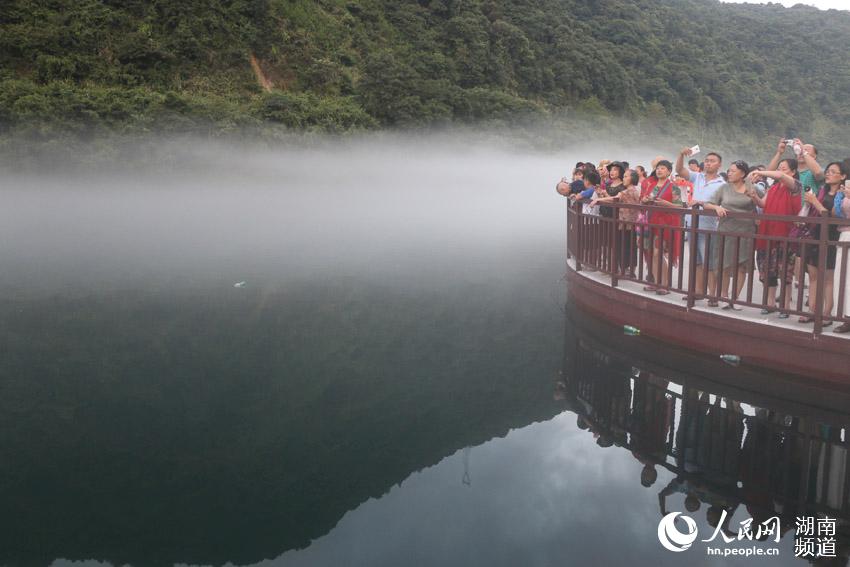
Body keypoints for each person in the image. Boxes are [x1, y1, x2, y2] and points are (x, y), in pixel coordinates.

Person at [702, 160, 762, 307]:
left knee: (741, 266)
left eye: (733, 171)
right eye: (728, 171)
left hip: (746, 231)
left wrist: (754, 197)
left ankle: (734, 299)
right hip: (725, 230)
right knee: (724, 264)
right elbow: (706, 204)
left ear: (742, 174)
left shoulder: (752, 187)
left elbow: (763, 204)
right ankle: (724, 295)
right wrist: (716, 207)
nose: (729, 173)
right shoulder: (724, 188)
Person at [749, 159, 803, 317]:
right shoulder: (773, 187)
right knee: (768, 271)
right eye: (780, 168)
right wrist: (754, 197)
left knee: (785, 272)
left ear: (792, 172)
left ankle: (785, 306)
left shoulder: (795, 186)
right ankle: (770, 303)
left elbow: (779, 175)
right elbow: (763, 204)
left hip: (785, 235)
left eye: (784, 168)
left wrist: (759, 172)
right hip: (768, 232)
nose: (780, 171)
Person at [676, 148, 726, 304]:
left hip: (709, 227)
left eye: (712, 161)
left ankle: (713, 295)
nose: (708, 163)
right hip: (692, 224)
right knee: (696, 261)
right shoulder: (698, 177)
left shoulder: (722, 184)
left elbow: (721, 205)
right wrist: (681, 155)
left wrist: (701, 203)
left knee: (709, 263)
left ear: (720, 165)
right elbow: (679, 170)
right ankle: (698, 292)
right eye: (707, 160)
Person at [799, 162, 846, 324]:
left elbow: (832, 217)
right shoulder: (821, 190)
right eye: (828, 171)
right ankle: (812, 310)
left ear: (843, 176)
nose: (828, 174)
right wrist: (809, 202)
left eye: (833, 172)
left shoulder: (842, 196)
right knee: (813, 276)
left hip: (832, 237)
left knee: (827, 278)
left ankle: (827, 313)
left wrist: (814, 202)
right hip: (815, 235)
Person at [642, 160, 684, 295]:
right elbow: (647, 202)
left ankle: (665, 284)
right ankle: (655, 282)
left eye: (663, 168)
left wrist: (666, 204)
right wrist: (645, 201)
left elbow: (680, 206)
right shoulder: (652, 186)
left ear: (669, 171)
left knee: (657, 253)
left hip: (666, 224)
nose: (659, 170)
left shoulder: (674, 187)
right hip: (652, 222)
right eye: (658, 168)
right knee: (651, 254)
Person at [594, 169, 642, 276]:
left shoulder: (626, 191)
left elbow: (614, 199)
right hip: (632, 223)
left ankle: (624, 271)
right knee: (631, 247)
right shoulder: (635, 190)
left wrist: (598, 200)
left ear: (632, 178)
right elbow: (613, 199)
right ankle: (631, 271)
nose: (624, 178)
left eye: (626, 176)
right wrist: (603, 195)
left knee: (623, 246)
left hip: (624, 223)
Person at [833, 181, 850, 333]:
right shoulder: (845, 190)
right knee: (843, 279)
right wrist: (839, 195)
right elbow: (837, 213)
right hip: (845, 235)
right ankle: (846, 317)